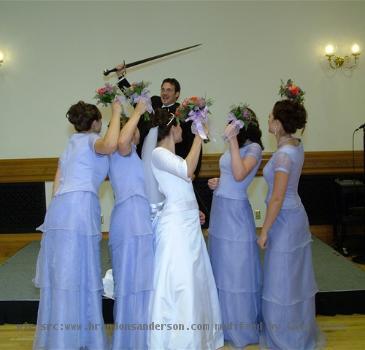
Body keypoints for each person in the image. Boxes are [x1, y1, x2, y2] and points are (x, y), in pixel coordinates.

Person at [33, 100, 122, 350]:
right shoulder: (92, 140)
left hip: (60, 208)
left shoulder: (70, 144)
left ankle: (60, 337)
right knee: (79, 271)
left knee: (63, 273)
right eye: (100, 121)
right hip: (80, 207)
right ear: (95, 123)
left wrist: (54, 217)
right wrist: (116, 112)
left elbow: (57, 179)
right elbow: (111, 144)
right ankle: (78, 337)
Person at [148, 109, 223, 349]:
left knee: (196, 280)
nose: (183, 131)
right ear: (172, 128)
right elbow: (188, 170)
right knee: (182, 282)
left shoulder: (173, 156)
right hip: (175, 228)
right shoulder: (158, 153)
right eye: (180, 126)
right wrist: (199, 136)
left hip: (188, 224)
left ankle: (199, 339)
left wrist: (195, 211)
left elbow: (183, 184)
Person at [257, 89, 322, 349]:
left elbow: (277, 199)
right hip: (294, 217)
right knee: (291, 278)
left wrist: (264, 231)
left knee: (282, 280)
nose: (268, 119)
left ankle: (286, 338)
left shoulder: (284, 155)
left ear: (278, 124)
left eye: (271, 116)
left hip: (285, 221)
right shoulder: (295, 146)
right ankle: (294, 332)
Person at [115, 64, 205, 224]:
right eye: (163, 89)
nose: (164, 92)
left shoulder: (182, 112)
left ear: (177, 94)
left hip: (172, 168)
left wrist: (194, 172)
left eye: (169, 90)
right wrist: (121, 77)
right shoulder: (154, 104)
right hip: (149, 165)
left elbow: (193, 141)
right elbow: (135, 101)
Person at [207, 107, 264, 348]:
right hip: (219, 208)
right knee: (221, 265)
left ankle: (239, 328)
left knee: (237, 269)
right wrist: (217, 181)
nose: (229, 126)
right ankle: (222, 325)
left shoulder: (255, 148)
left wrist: (231, 140)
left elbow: (240, 174)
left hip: (236, 214)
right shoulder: (236, 146)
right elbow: (231, 173)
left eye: (233, 123)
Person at [107, 100, 154, 350]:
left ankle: (143, 337)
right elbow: (123, 140)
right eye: (132, 126)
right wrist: (136, 110)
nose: (136, 129)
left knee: (142, 279)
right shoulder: (118, 149)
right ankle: (130, 341)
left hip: (139, 217)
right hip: (128, 220)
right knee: (130, 280)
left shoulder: (132, 154)